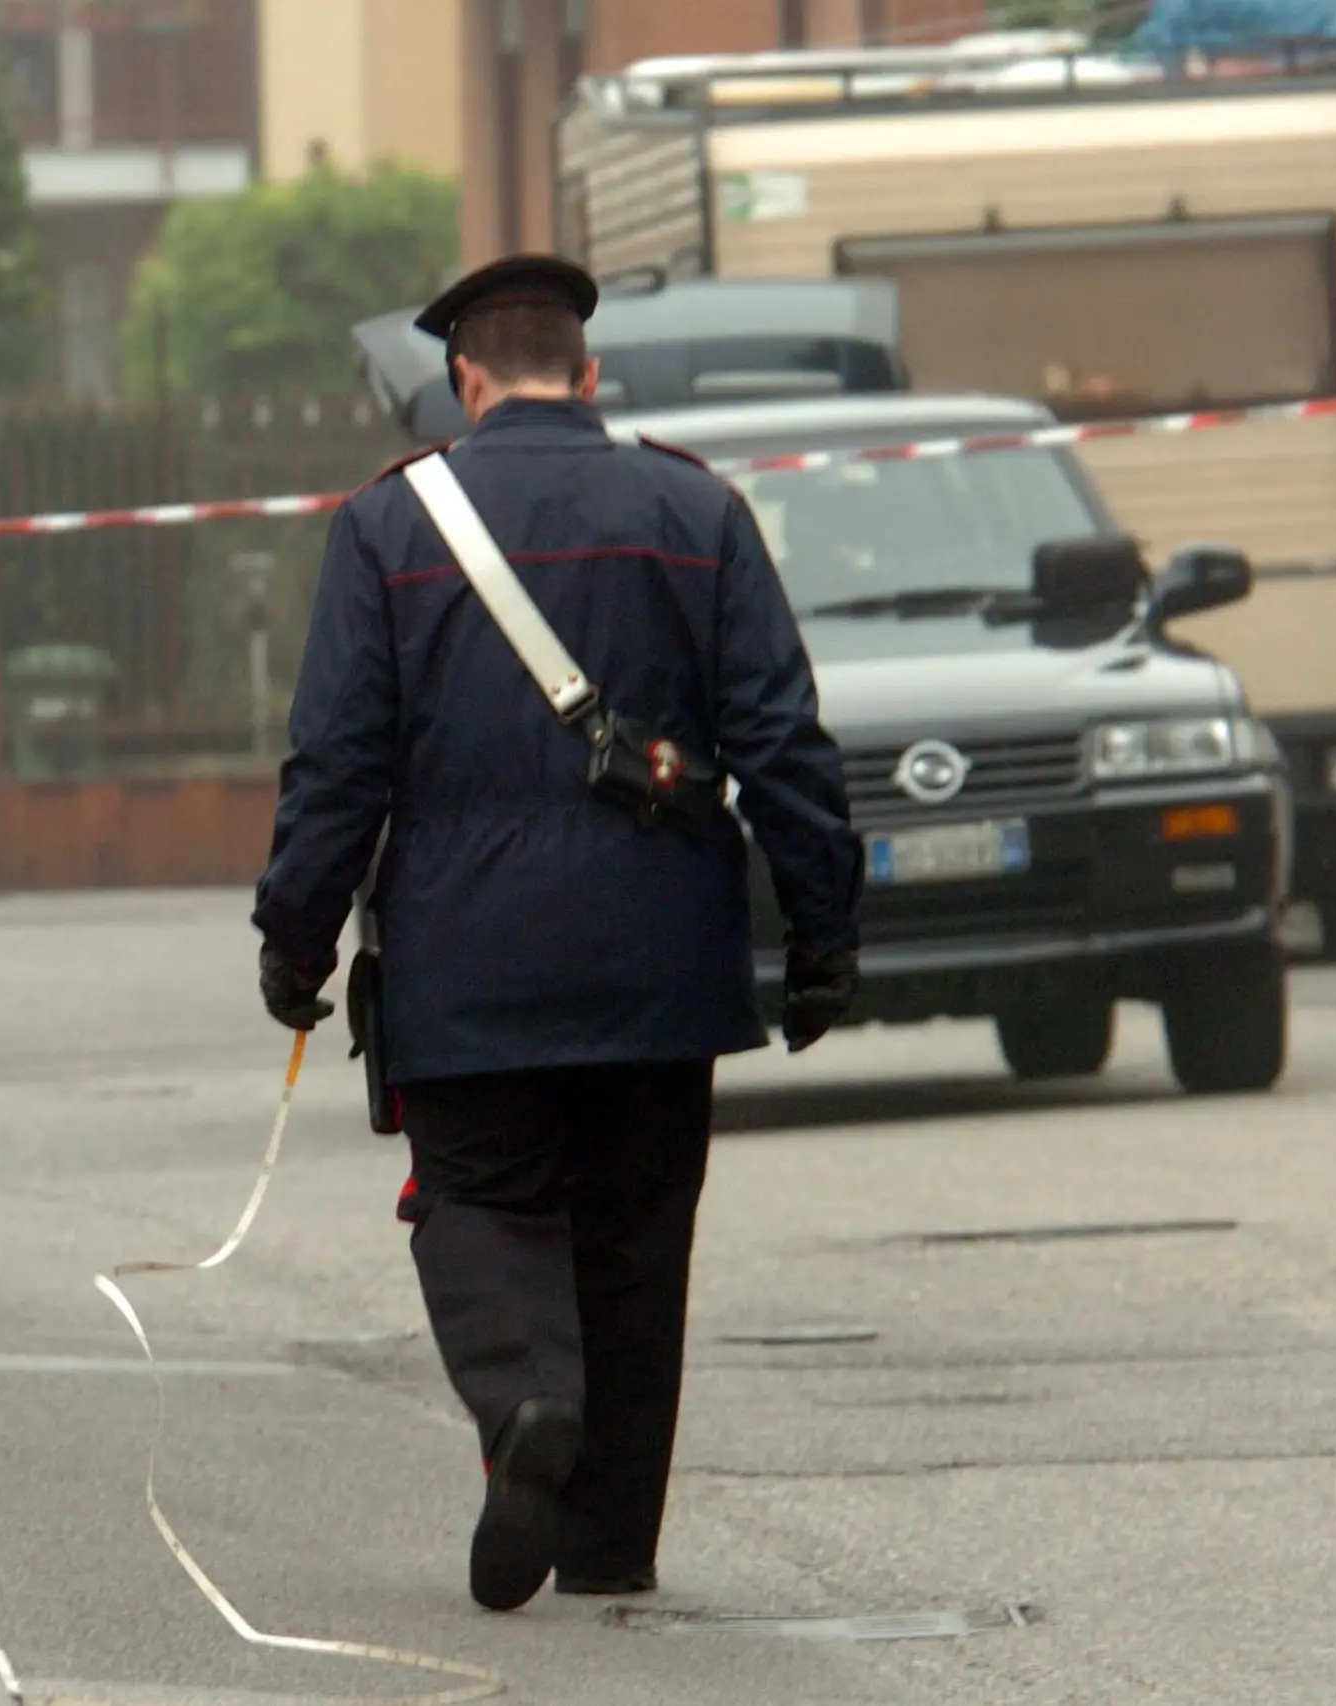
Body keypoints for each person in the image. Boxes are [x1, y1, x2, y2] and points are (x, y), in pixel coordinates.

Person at [250, 256, 864, 1612]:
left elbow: (337, 764)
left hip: (467, 968)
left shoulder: (390, 527)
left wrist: (295, 943)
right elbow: (783, 737)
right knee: (640, 1241)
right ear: (588, 376)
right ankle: (608, 1545)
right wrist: (823, 929)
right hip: (663, 963)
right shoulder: (695, 507)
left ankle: (528, 1400)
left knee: (482, 1208)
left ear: (462, 381)